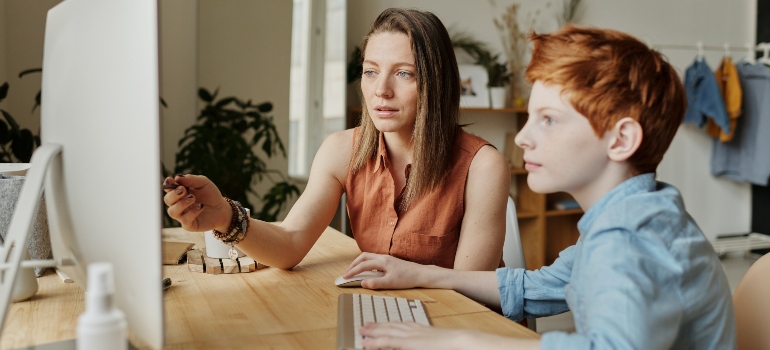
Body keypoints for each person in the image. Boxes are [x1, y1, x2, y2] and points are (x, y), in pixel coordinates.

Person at [342, 26, 737, 349]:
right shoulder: (636, 214)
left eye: (548, 120)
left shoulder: (629, 237)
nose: (522, 139)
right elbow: (537, 286)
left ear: (620, 141)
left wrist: (459, 339)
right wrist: (421, 273)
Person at [162, 8, 510, 271]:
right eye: (371, 71)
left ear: (437, 83)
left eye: (404, 73)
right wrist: (225, 216)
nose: (381, 90)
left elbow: (469, 293)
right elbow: (290, 243)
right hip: (389, 315)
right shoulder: (341, 150)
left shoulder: (483, 166)